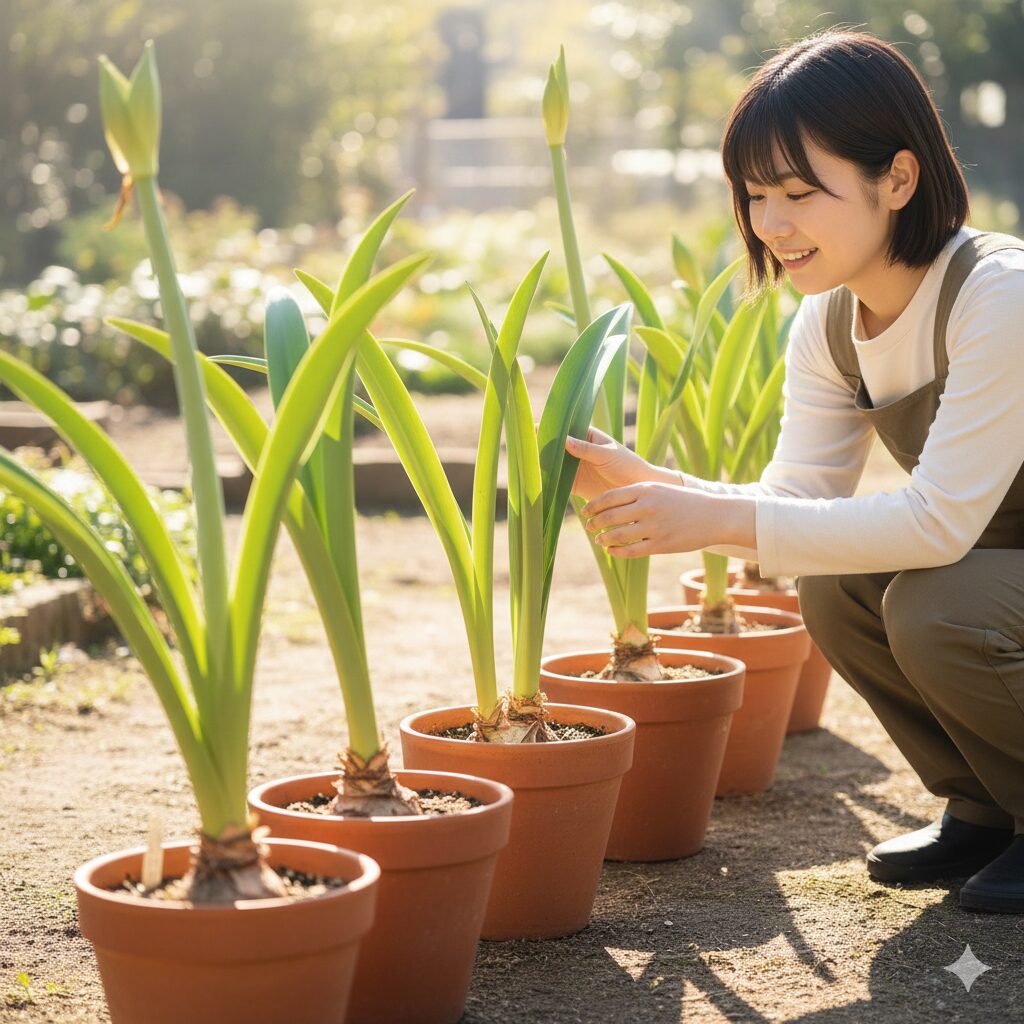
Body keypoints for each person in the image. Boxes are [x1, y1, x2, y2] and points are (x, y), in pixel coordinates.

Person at [565, 29, 1024, 913]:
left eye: (800, 193)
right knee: (836, 591)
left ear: (897, 178)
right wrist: (652, 482)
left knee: (938, 605)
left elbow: (937, 526)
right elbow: (794, 504)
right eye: (755, 196)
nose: (771, 226)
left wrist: (705, 520)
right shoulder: (827, 323)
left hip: (992, 573)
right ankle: (988, 808)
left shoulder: (997, 296)